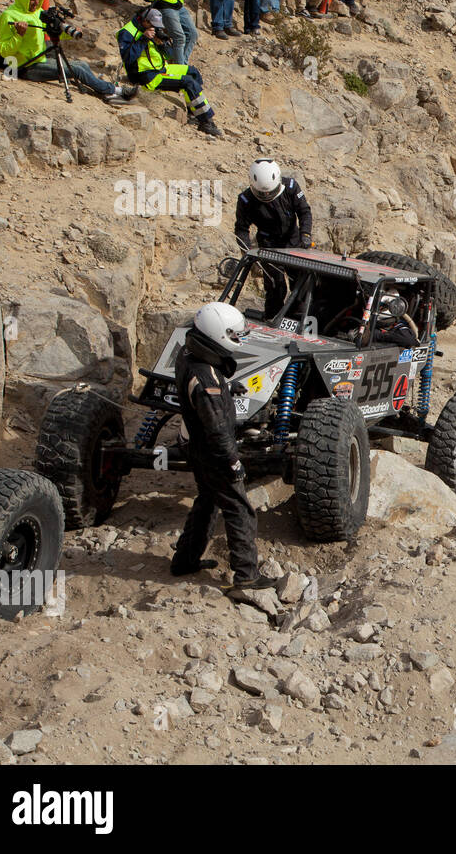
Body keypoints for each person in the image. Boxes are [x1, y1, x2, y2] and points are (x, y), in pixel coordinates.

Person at [170, 301, 274, 596]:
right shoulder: (206, 380)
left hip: (194, 442)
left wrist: (228, 389)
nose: (238, 341)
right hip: (211, 450)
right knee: (240, 509)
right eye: (234, 335)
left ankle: (184, 560)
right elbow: (216, 428)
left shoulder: (189, 353)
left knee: (207, 500)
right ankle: (246, 576)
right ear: (219, 334)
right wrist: (232, 461)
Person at [0, 0, 138, 105]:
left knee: (81, 64)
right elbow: (4, 51)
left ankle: (102, 88)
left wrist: (67, 33)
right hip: (24, 66)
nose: (35, 3)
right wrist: (18, 36)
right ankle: (115, 90)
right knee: (76, 70)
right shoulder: (9, 16)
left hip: (39, 57)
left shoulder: (35, 12)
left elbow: (46, 30)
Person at [118, 7, 221, 135]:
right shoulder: (127, 32)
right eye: (153, 25)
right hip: (146, 75)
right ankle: (206, 122)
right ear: (145, 21)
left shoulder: (151, 30)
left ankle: (194, 112)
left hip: (161, 68)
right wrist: (144, 39)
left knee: (192, 72)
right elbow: (127, 58)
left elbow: (169, 55)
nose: (155, 28)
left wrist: (162, 44)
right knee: (188, 82)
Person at [235, 158, 315, 315]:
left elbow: (305, 212)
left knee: (300, 285)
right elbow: (241, 229)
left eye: (270, 192)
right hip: (268, 246)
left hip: (294, 242)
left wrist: (305, 234)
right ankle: (272, 318)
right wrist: (247, 250)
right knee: (275, 286)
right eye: (261, 193)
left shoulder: (291, 187)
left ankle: (297, 318)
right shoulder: (245, 200)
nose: (266, 195)